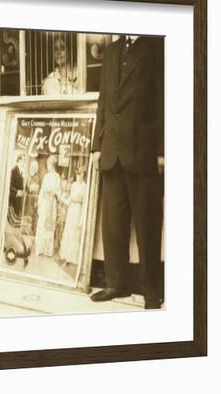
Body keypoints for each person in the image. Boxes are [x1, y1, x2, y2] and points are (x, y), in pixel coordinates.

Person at [90, 35, 164, 309]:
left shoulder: (157, 46)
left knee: (148, 225)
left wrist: (162, 150)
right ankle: (116, 283)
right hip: (111, 152)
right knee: (113, 224)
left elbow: (164, 100)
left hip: (143, 152)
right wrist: (97, 146)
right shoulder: (110, 52)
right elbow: (103, 100)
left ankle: (152, 291)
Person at [35, 155, 62, 257]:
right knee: (42, 223)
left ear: (52, 165)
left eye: (49, 164)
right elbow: (42, 191)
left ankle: (48, 250)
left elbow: (58, 192)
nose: (48, 166)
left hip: (52, 203)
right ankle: (40, 248)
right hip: (45, 202)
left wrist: (60, 197)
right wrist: (39, 203)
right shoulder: (46, 176)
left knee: (50, 226)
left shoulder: (57, 177)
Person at [59, 169, 87, 266]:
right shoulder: (74, 185)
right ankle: (67, 257)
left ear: (83, 174)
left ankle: (73, 258)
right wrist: (63, 200)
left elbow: (84, 204)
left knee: (75, 234)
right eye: (77, 174)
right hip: (71, 210)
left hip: (78, 210)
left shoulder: (85, 187)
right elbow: (70, 199)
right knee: (69, 232)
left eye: (81, 174)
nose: (79, 176)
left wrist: (81, 219)